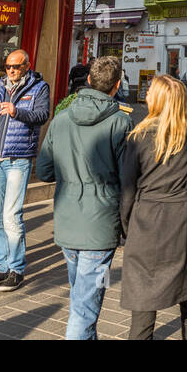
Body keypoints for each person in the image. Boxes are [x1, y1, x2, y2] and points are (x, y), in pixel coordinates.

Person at [119, 74, 187, 340]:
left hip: (145, 224)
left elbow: (127, 190)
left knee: (143, 304)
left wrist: (125, 226)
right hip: (182, 221)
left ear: (155, 99)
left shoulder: (138, 135)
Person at [34, 55, 132, 339]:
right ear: (116, 87)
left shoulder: (61, 118)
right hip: (101, 225)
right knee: (85, 307)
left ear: (88, 80)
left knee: (82, 297)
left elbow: (44, 170)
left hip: (67, 220)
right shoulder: (120, 123)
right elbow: (128, 180)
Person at [0, 49, 50, 292]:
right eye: (8, 66)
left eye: (16, 66)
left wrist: (16, 111)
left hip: (19, 159)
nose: (11, 70)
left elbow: (42, 115)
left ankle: (16, 269)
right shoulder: (0, 86)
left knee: (11, 216)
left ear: (27, 66)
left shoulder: (39, 87)